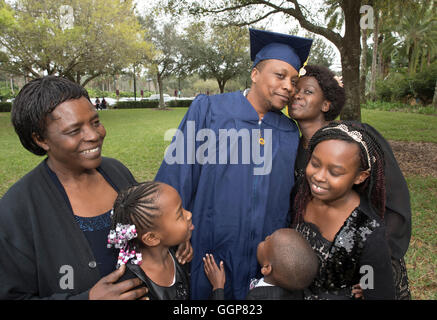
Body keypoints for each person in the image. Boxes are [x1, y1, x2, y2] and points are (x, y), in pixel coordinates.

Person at [155, 28, 313, 300]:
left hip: (262, 255)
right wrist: (177, 231)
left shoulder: (288, 132)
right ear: (255, 74)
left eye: (293, 79)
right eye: (280, 75)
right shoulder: (209, 110)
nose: (289, 86)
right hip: (210, 243)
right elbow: (177, 173)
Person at [0, 76, 191, 299]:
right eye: (74, 131)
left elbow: (151, 223)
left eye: (95, 122)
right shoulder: (17, 209)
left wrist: (175, 237)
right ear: (41, 139)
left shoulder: (116, 173)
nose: (94, 135)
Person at [288, 65, 411, 299]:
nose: (297, 95)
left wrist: (368, 267)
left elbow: (392, 202)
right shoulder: (293, 147)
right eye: (296, 89)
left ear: (326, 104)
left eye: (308, 92)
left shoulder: (357, 141)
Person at [292, 121, 396, 299]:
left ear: (360, 176)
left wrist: (368, 287)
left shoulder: (366, 232)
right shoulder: (302, 193)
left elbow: (376, 287)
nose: (319, 177)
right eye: (315, 164)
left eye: (335, 172)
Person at [110, 182, 194, 300]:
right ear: (152, 238)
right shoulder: (134, 289)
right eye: (180, 214)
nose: (189, 214)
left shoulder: (179, 252)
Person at [204, 228, 319, 300]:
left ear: (266, 268)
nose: (266, 237)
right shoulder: (296, 288)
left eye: (267, 241)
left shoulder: (256, 298)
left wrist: (218, 287)